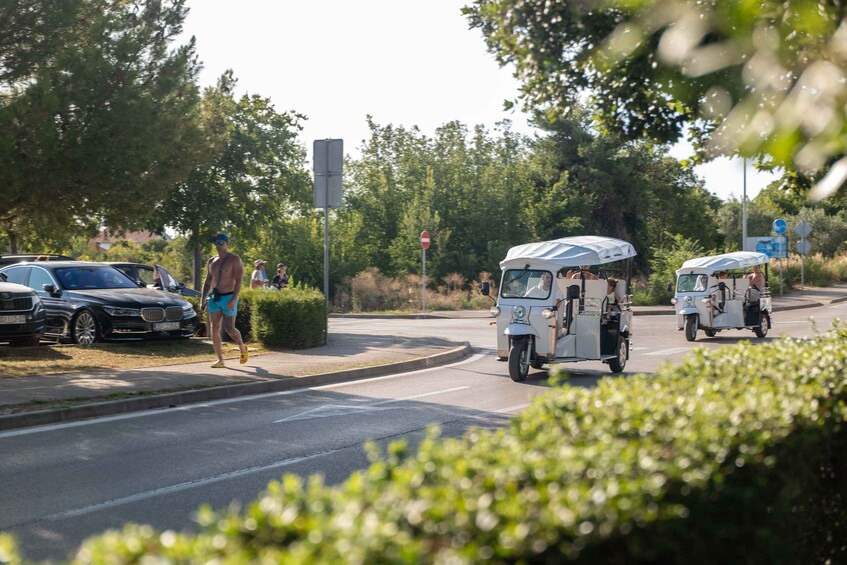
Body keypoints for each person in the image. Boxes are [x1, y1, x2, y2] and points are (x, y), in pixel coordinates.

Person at [200, 233, 249, 368]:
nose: (218, 246)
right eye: (216, 243)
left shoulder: (234, 259)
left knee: (229, 328)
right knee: (214, 327)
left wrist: (234, 299)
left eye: (221, 243)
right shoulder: (211, 261)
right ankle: (220, 359)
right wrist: (202, 300)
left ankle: (241, 346)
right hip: (215, 298)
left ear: (227, 243)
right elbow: (208, 281)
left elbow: (239, 280)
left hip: (229, 297)